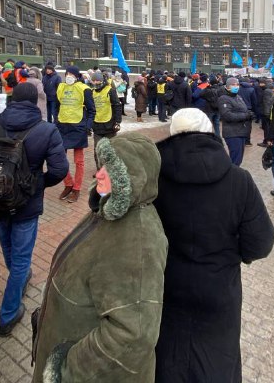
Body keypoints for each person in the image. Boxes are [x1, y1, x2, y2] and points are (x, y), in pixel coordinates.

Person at [32, 133, 167, 383]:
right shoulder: (108, 211)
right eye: (101, 165)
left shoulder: (137, 241)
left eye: (111, 168)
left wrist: (66, 370)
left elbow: (133, 335)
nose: (99, 174)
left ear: (132, 179)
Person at [154, 109, 274, 382]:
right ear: (211, 132)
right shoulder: (239, 180)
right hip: (219, 288)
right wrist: (231, 256)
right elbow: (261, 243)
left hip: (165, 284)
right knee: (216, 359)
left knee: (166, 358)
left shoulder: (155, 178)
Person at [0, 83, 68, 338]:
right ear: (35, 102)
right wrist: (36, 184)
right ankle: (8, 314)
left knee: (9, 248)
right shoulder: (46, 130)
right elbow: (59, 170)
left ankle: (17, 280)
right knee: (21, 258)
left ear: (11, 99)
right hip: (26, 204)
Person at [56, 66, 95, 203]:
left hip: (78, 127)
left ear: (77, 76)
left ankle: (77, 189)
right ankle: (68, 184)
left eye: (72, 74)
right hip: (62, 127)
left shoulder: (84, 89)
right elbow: (57, 106)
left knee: (79, 161)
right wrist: (56, 121)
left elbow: (91, 110)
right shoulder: (61, 87)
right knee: (59, 159)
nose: (69, 76)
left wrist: (87, 126)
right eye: (67, 74)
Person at [217, 77, 252, 167]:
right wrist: (245, 116)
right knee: (235, 160)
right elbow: (227, 116)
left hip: (241, 131)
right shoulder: (223, 98)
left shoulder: (238, 97)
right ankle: (231, 178)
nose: (236, 86)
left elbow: (244, 109)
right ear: (227, 87)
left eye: (237, 84)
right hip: (232, 132)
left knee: (238, 159)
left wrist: (249, 113)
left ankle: (232, 176)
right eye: (233, 85)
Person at [90, 72, 122, 165]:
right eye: (94, 80)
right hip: (97, 125)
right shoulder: (92, 92)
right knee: (98, 149)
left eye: (98, 80)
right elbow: (89, 109)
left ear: (102, 80)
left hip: (110, 125)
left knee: (111, 148)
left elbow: (117, 106)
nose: (96, 82)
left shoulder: (110, 91)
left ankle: (112, 169)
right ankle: (100, 170)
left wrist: (117, 121)